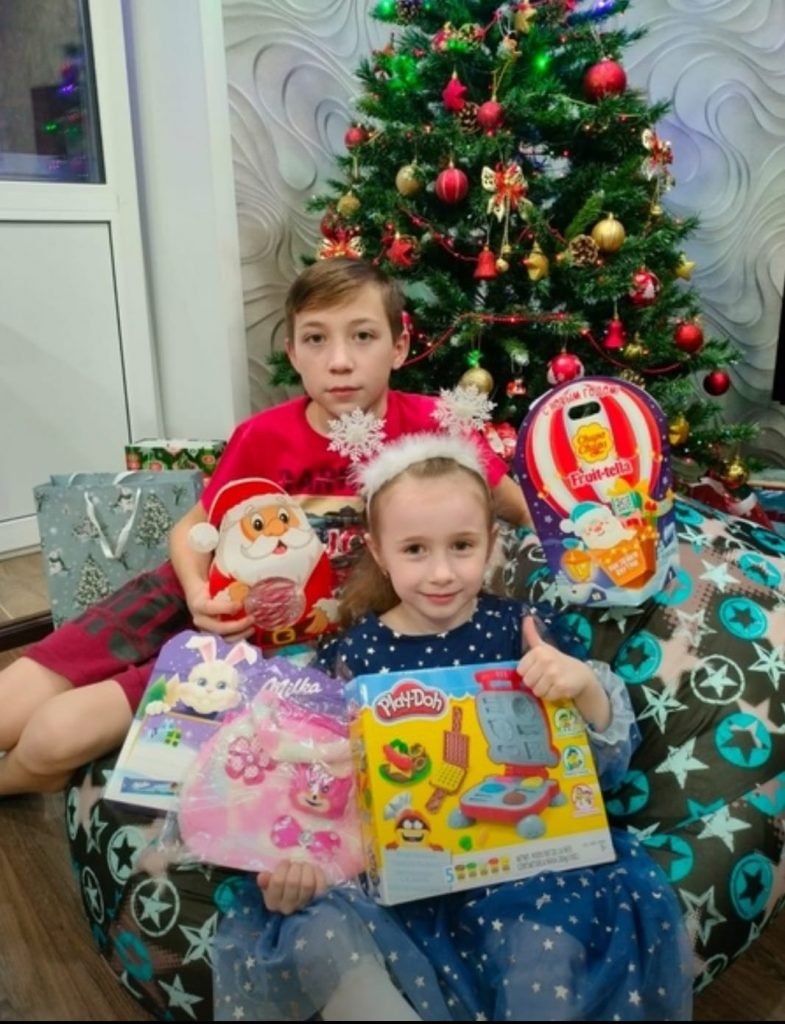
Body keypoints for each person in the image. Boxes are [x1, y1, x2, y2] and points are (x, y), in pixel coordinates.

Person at [0, 257, 530, 796]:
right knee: (8, 708)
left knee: (54, 737)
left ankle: (22, 778)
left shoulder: (438, 429)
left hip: (267, 641)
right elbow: (191, 529)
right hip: (189, 595)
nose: (340, 362)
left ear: (399, 346)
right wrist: (196, 593)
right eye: (316, 339)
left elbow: (522, 512)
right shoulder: (263, 436)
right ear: (293, 354)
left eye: (363, 336)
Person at [210, 433, 693, 1022]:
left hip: (527, 876)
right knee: (313, 931)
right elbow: (312, 781)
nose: (441, 573)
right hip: (396, 882)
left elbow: (602, 769)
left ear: (491, 541)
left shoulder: (523, 629)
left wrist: (583, 687)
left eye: (462, 546)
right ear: (378, 551)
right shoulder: (352, 654)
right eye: (414, 549)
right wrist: (300, 860)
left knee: (544, 952)